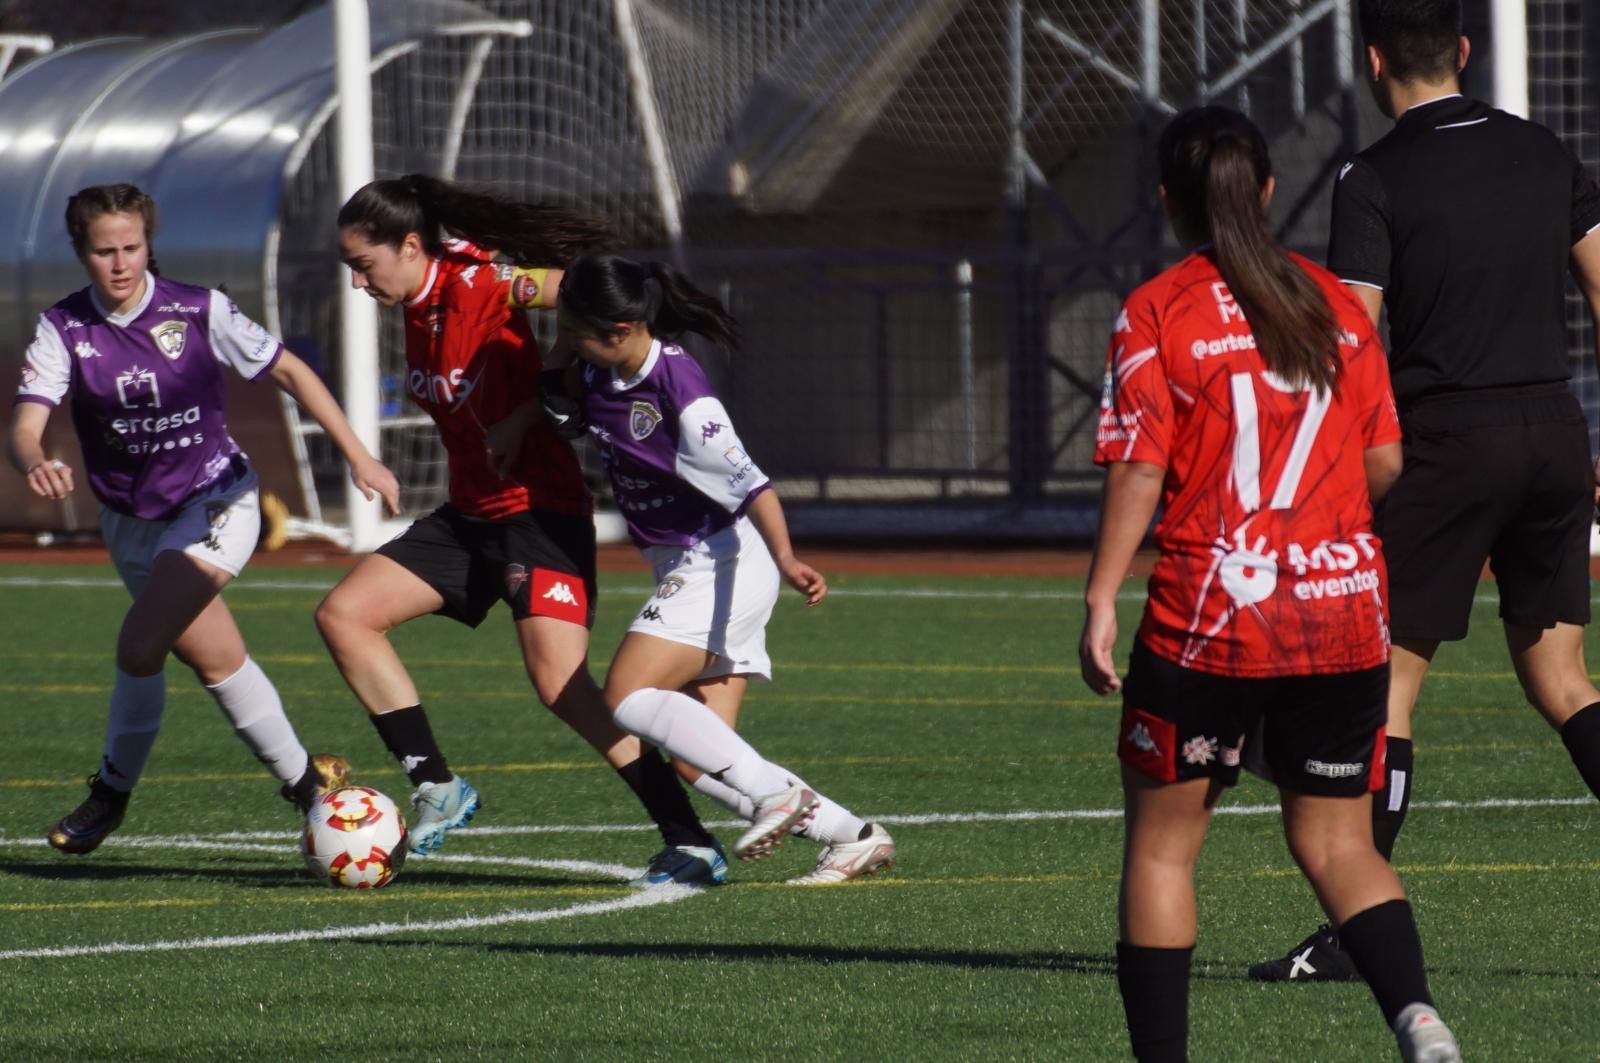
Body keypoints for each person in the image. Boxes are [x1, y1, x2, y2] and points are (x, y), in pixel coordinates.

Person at [1078, 108, 1459, 1061]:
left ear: (1168, 203)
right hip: (1341, 609)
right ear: (1269, 193)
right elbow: (1384, 459)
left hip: (1213, 611)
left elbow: (1137, 469)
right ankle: (1419, 1018)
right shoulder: (1333, 303)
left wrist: (1099, 596)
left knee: (1164, 848)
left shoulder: (1158, 309)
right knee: (1340, 843)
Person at [1253, 0, 1600, 984]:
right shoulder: (1544, 153)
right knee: (1561, 678)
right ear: (1460, 48)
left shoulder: (1372, 176)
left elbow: (1350, 338)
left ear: (1370, 60)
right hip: (1551, 430)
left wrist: (1337, 474)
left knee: (1389, 685)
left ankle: (1358, 930)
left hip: (1445, 440)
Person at [319, 175, 723, 886]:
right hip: (472, 515)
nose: (358, 282)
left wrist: (537, 400)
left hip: (539, 512)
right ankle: (437, 785)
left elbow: (582, 296)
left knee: (563, 687)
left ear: (409, 246)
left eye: (364, 264)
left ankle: (689, 838)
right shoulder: (415, 303)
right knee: (345, 614)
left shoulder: (481, 282)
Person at [8, 182, 401, 854]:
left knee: (139, 643)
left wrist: (360, 456)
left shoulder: (196, 309)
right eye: (105, 251)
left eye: (132, 247)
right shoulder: (64, 328)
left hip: (216, 500)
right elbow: (25, 423)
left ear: (148, 243)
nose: (121, 262)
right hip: (131, 522)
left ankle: (109, 795)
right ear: (82, 252)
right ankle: (310, 784)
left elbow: (291, 373)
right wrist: (33, 459)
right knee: (215, 656)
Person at [555, 251, 896, 885]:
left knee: (626, 695)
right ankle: (853, 836)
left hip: (720, 556)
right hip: (686, 562)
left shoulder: (683, 394)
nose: (565, 343)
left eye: (574, 333)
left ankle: (774, 796)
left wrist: (789, 557)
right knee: (698, 757)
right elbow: (558, 349)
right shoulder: (596, 368)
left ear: (622, 330)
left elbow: (753, 485)